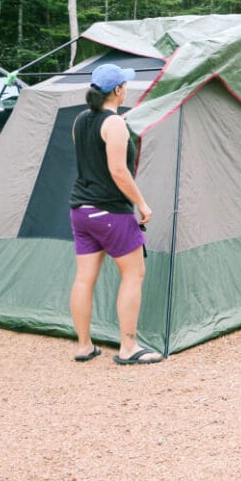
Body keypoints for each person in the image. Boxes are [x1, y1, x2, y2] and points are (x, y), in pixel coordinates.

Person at [68, 63, 163, 365]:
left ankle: (84, 346)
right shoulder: (115, 125)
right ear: (118, 90)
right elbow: (118, 171)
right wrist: (142, 204)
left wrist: (114, 124)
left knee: (84, 278)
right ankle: (128, 347)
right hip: (110, 212)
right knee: (134, 273)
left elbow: (91, 153)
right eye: (125, 85)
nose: (127, 89)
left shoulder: (80, 120)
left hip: (81, 211)